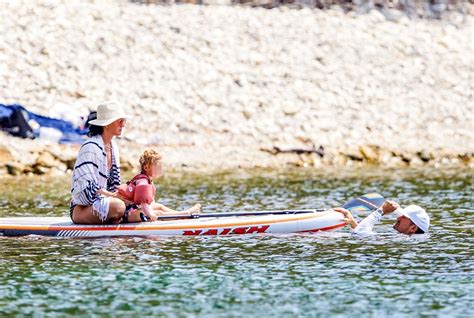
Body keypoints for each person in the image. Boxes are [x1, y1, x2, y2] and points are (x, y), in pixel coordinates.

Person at [70, 101, 131, 224]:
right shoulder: (90, 147)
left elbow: (114, 184)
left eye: (123, 121)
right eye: (119, 121)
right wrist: (112, 196)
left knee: (142, 203)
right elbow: (85, 187)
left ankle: (178, 215)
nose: (123, 124)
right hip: (82, 208)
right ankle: (118, 216)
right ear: (106, 124)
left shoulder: (113, 147)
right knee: (118, 206)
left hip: (105, 201)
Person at [118, 149, 201, 222]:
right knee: (158, 213)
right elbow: (143, 203)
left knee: (159, 206)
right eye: (158, 166)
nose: (161, 168)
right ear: (146, 167)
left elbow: (149, 203)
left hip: (134, 210)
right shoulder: (143, 181)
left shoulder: (148, 180)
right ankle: (184, 215)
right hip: (127, 213)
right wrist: (150, 214)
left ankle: (182, 215)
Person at [334, 201, 430, 235]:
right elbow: (363, 235)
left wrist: (381, 211)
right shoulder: (402, 237)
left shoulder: (403, 239)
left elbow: (361, 234)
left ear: (413, 228)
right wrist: (353, 223)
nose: (398, 218)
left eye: (403, 217)